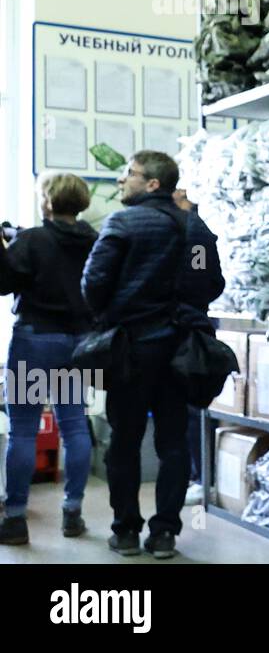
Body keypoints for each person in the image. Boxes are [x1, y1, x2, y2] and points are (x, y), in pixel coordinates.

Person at [81, 151, 224, 559]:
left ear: (152, 184)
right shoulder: (195, 227)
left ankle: (125, 530)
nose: (121, 181)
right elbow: (211, 283)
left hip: (131, 350)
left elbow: (94, 283)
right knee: (173, 442)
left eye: (129, 174)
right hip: (181, 353)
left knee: (123, 441)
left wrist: (114, 311)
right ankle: (165, 534)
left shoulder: (123, 222)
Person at [0, 173, 98, 546]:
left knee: (23, 430)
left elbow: (3, 282)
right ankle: (73, 513)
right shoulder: (95, 241)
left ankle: (14, 519)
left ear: (47, 201)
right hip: (78, 344)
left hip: (34, 341)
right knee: (74, 427)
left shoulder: (32, 240)